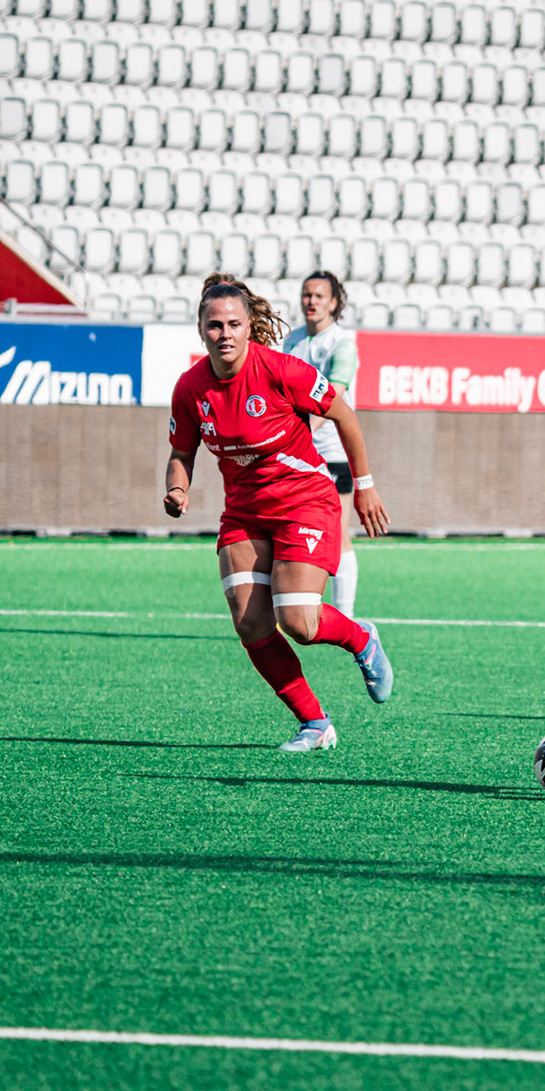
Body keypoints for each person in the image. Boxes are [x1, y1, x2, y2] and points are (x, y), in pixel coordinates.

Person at [164, 275, 395, 752]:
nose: (223, 333)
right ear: (200, 330)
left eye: (233, 324)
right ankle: (315, 723)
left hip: (304, 502)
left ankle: (361, 639)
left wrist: (365, 487)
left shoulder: (281, 370)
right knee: (250, 623)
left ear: (250, 326)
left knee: (299, 623)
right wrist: (176, 488)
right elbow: (181, 453)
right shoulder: (189, 388)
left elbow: (344, 414)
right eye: (214, 325)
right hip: (244, 515)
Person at [282, 271, 363, 617]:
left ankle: (345, 616)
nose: (311, 301)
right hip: (297, 453)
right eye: (306, 295)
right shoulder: (292, 341)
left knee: (338, 535)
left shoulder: (342, 343)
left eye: (318, 296)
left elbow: (335, 394)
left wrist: (302, 429)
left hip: (332, 452)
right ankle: (287, 607)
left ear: (333, 303)